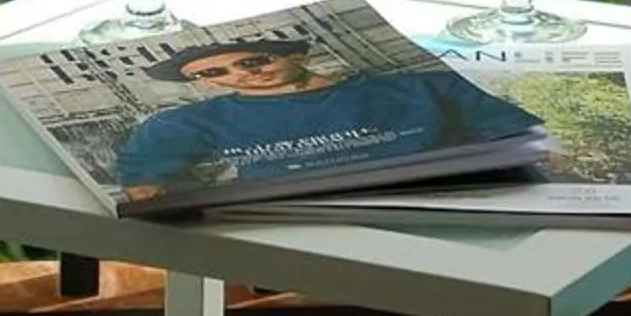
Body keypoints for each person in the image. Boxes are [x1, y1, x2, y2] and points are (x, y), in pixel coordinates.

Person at [114, 35, 537, 201]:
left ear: (296, 54)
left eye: (253, 59)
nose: (240, 73)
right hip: (289, 234)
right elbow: (143, 189)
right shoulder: (185, 124)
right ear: (203, 84)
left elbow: (523, 143)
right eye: (212, 73)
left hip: (440, 209)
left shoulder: (422, 87)